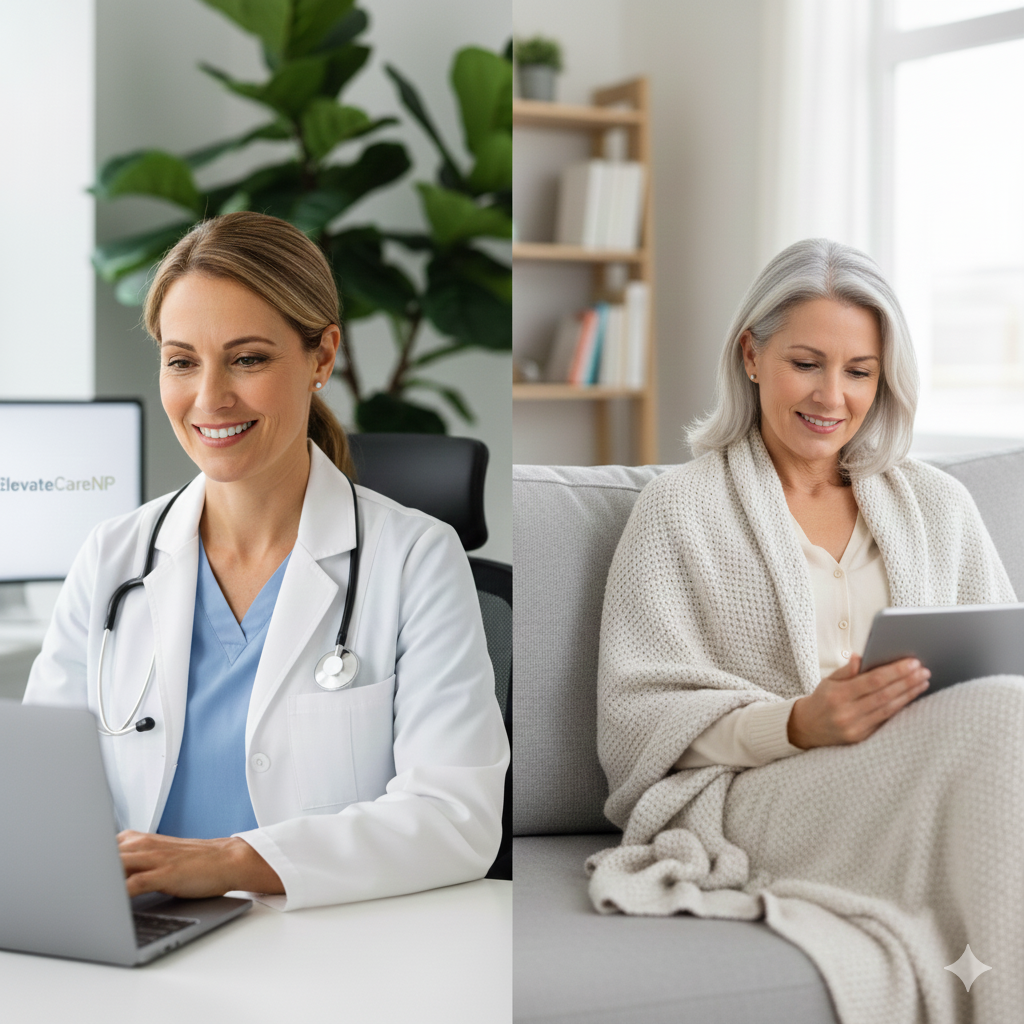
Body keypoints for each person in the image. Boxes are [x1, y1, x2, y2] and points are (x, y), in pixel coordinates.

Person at [588, 239, 1023, 1023]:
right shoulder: (679, 508)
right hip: (762, 792)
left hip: (926, 771)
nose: (833, 396)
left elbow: (1005, 667)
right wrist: (796, 722)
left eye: (860, 371)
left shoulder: (938, 507)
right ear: (752, 355)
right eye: (807, 363)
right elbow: (634, 721)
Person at [23, 211, 508, 911]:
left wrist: (232, 861)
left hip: (328, 948)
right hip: (143, 936)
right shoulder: (113, 558)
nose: (209, 397)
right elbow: (43, 794)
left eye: (248, 358)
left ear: (321, 356)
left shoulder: (415, 561)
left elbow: (454, 816)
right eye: (182, 361)